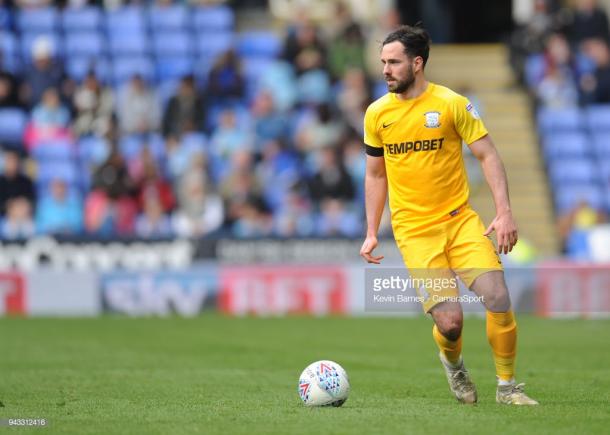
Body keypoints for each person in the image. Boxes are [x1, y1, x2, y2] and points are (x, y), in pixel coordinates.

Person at [359, 25, 538, 406]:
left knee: (498, 296)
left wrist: (504, 212)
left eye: (393, 62)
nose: (386, 70)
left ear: (417, 63)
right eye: (383, 63)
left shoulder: (452, 103)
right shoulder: (377, 114)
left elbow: (488, 154)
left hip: (460, 222)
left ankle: (508, 388)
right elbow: (375, 175)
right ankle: (453, 362)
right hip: (416, 233)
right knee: (451, 323)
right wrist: (371, 231)